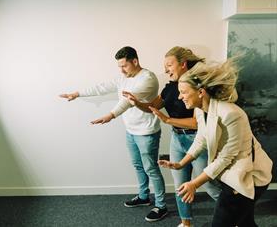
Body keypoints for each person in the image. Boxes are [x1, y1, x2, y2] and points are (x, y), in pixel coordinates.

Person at [159, 59, 273, 227]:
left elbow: (226, 158)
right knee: (244, 222)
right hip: (232, 172)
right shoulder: (200, 110)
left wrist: (194, 183)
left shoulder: (231, 114)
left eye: (183, 91)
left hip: (250, 175)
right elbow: (201, 139)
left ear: (200, 92)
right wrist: (180, 164)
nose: (179, 96)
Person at [59, 46, 168, 222]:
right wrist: (77, 94)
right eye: (119, 66)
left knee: (151, 168)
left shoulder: (148, 78)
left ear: (135, 61)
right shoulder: (123, 78)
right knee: (138, 166)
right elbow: (102, 87)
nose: (121, 70)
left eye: (124, 66)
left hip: (146, 132)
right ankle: (143, 197)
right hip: (131, 131)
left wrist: (110, 115)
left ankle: (161, 206)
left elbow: (127, 102)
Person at [123, 46, 221, 227]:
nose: (166, 69)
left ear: (183, 64)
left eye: (169, 65)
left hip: (197, 140)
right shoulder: (169, 88)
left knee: (209, 186)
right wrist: (136, 103)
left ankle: (235, 214)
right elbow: (152, 106)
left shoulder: (198, 88)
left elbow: (196, 123)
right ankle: (186, 223)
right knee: (180, 186)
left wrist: (168, 120)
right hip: (177, 140)